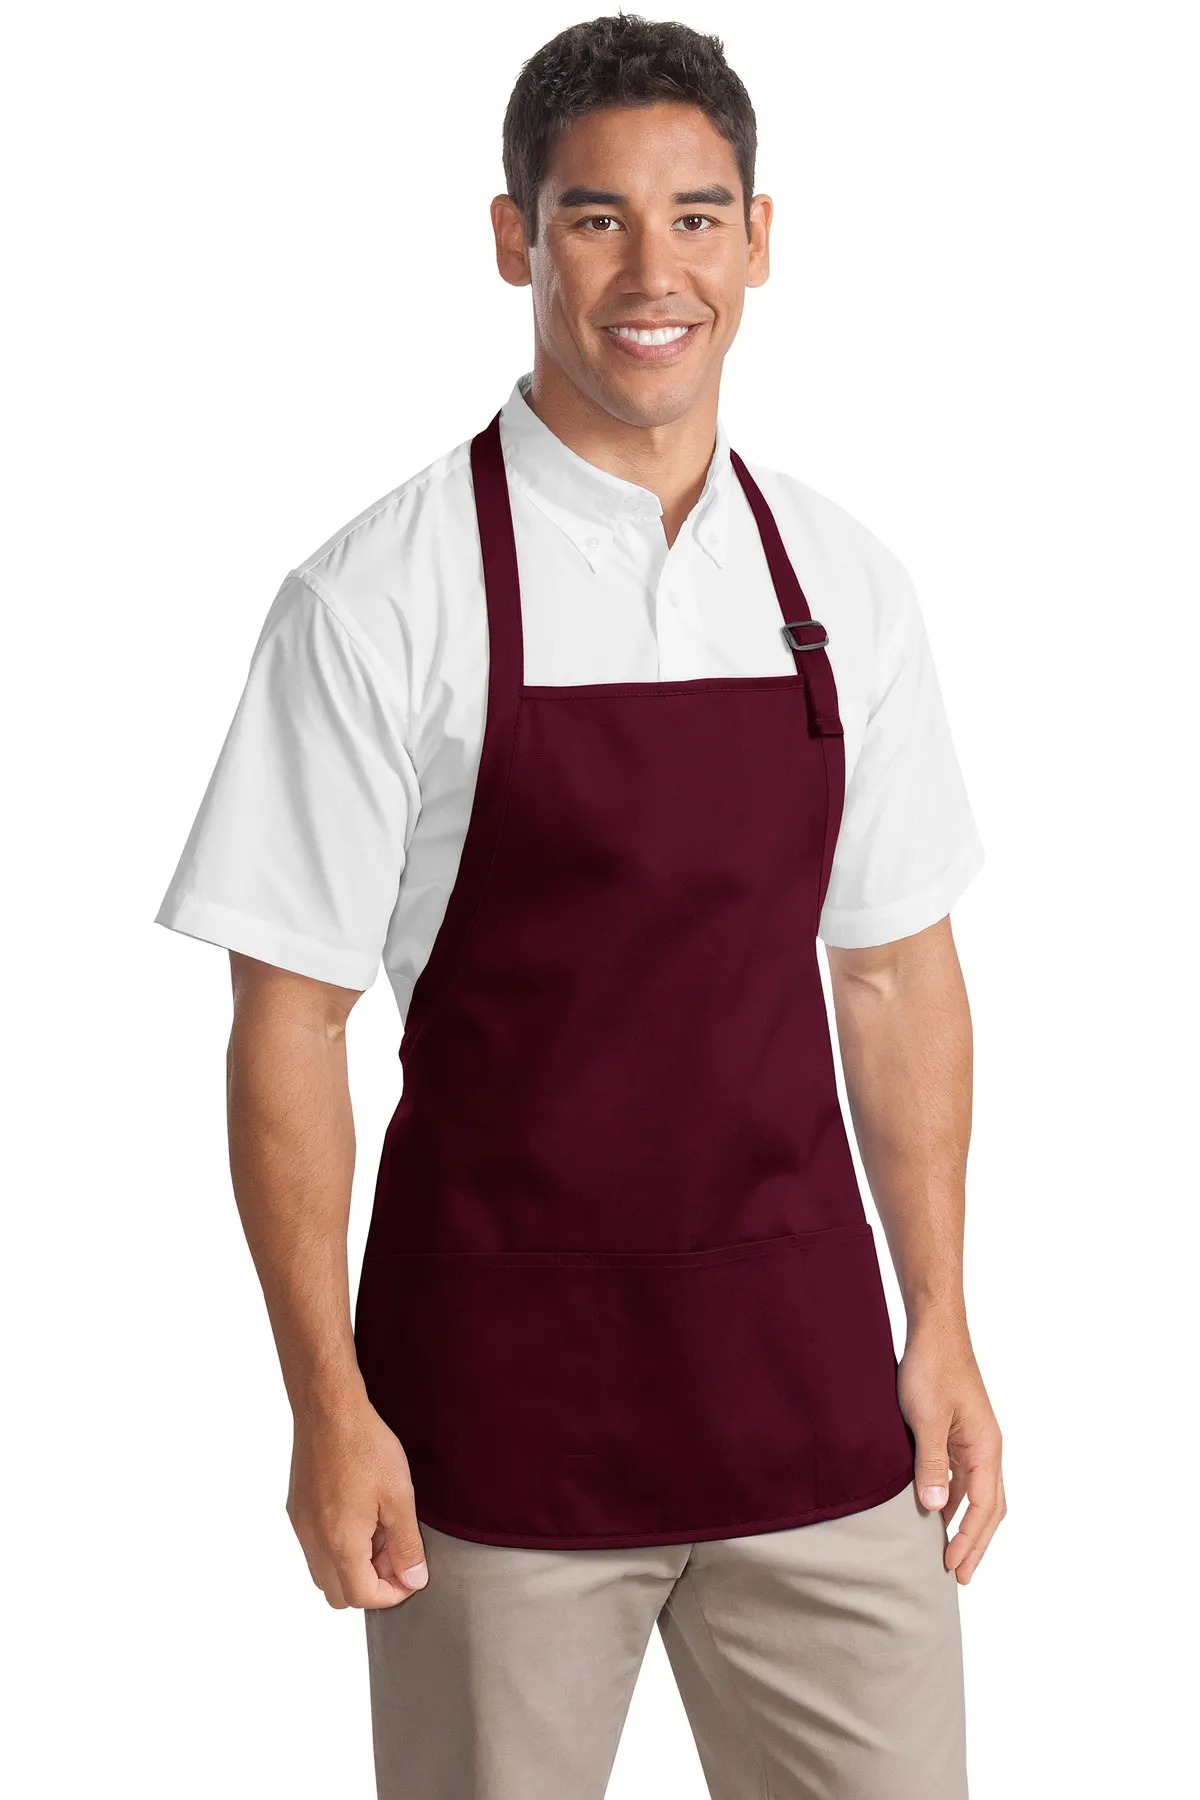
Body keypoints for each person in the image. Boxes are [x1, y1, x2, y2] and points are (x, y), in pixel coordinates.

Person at [156, 14, 1004, 1798]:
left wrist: (941, 1317)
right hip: (495, 1428)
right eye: (596, 217)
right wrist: (326, 1403)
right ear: (513, 238)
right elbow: (289, 1024)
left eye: (696, 218)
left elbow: (895, 977)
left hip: (809, 1405)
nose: (652, 271)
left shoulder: (845, 582)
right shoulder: (377, 598)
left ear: (759, 242)